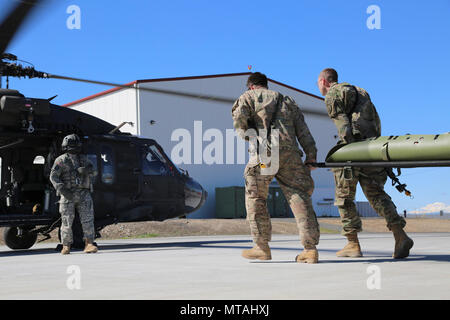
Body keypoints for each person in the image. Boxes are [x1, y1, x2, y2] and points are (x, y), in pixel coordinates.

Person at [317, 68, 413, 259]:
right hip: (373, 149)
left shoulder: (332, 95)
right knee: (377, 194)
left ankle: (352, 244)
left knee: (344, 198)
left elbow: (343, 126)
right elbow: (375, 121)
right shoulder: (360, 91)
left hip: (353, 152)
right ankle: (400, 235)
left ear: (323, 82)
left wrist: (346, 152)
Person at [232, 72, 320, 263]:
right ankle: (310, 249)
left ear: (251, 86)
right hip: (291, 156)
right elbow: (303, 131)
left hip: (266, 154)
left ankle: (261, 247)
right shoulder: (288, 101)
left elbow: (240, 127)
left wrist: (253, 136)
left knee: (256, 196)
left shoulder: (247, 97)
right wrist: (311, 156)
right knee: (299, 196)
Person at [50, 134, 98, 255]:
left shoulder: (84, 159)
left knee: (88, 220)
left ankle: (89, 243)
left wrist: (87, 171)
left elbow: (95, 172)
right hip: (68, 195)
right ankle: (66, 246)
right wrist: (62, 189)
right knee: (66, 222)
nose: (74, 148)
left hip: (83, 194)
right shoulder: (61, 160)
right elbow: (53, 176)